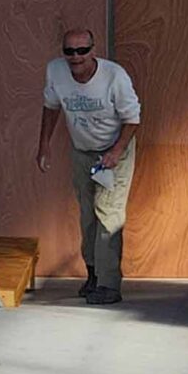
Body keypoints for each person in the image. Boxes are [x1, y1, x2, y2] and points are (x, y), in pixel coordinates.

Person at [36, 24, 141, 304]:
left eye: (82, 50)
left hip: (115, 149)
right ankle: (93, 274)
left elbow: (132, 119)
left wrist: (116, 152)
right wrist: (44, 144)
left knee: (108, 214)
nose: (76, 57)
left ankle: (109, 284)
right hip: (82, 150)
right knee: (87, 214)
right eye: (69, 51)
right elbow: (51, 107)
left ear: (93, 50)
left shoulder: (114, 76)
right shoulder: (56, 71)